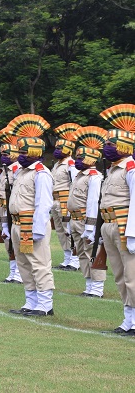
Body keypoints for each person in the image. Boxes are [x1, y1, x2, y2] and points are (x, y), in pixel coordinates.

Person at [6, 114, 55, 317]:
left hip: (31, 223)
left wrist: (37, 229)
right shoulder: (22, 172)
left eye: (24, 152)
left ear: (35, 152)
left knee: (39, 263)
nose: (20, 155)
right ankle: (31, 301)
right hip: (18, 224)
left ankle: (45, 304)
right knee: (23, 263)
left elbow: (43, 204)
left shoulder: (41, 173)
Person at [96, 104, 135, 333]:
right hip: (109, 225)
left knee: (132, 275)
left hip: (124, 226)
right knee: (120, 276)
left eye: (110, 144)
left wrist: (132, 233)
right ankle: (128, 319)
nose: (106, 147)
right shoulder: (112, 169)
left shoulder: (131, 167)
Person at [68, 126, 107, 297]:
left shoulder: (94, 177)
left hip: (86, 220)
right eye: (77, 157)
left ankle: (97, 288)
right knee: (82, 253)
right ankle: (89, 284)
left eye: (81, 157)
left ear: (91, 159)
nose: (77, 160)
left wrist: (91, 228)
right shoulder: (79, 175)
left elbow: (93, 202)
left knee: (93, 253)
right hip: (75, 219)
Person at [0, 128, 23, 284]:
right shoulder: (3, 170)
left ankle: (18, 273)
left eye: (6, 154)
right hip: (1, 209)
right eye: (2, 154)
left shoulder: (17, 170)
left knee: (14, 240)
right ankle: (12, 272)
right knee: (6, 240)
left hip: (11, 210)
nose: (2, 157)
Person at [50, 123, 81, 271]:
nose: (57, 151)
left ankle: (75, 260)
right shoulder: (56, 164)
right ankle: (67, 257)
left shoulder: (71, 164)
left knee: (69, 230)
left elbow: (74, 185)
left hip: (65, 201)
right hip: (55, 201)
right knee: (61, 231)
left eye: (59, 148)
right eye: (56, 148)